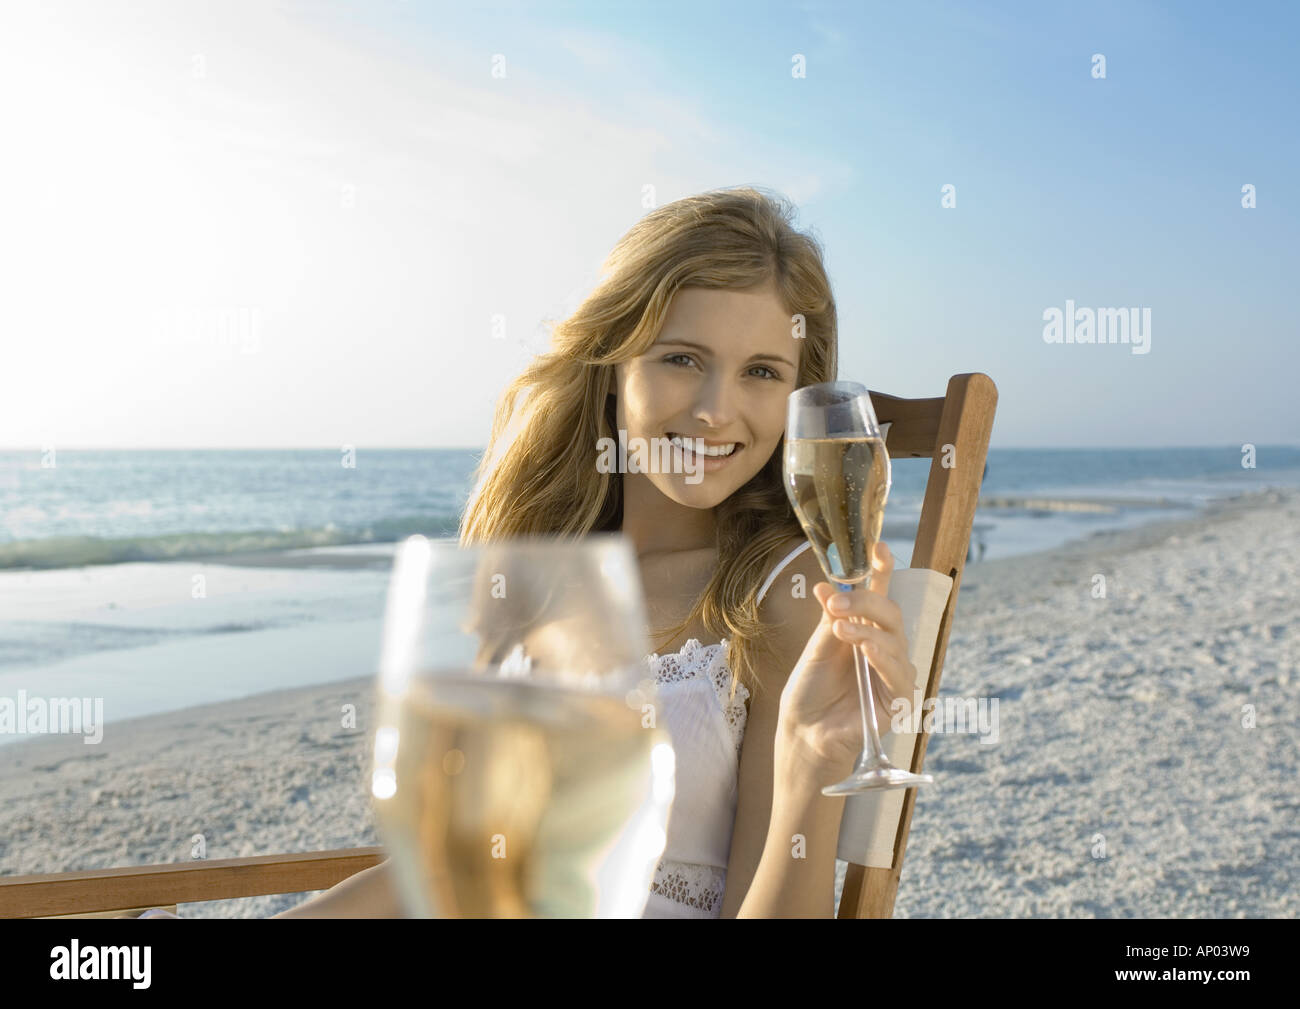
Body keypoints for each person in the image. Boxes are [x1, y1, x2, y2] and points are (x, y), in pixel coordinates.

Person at [274, 186, 919, 919]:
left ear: (799, 396)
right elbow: (456, 865)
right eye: (682, 358)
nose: (716, 409)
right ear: (611, 361)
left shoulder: (785, 595)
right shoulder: (547, 569)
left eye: (762, 372)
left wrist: (810, 765)